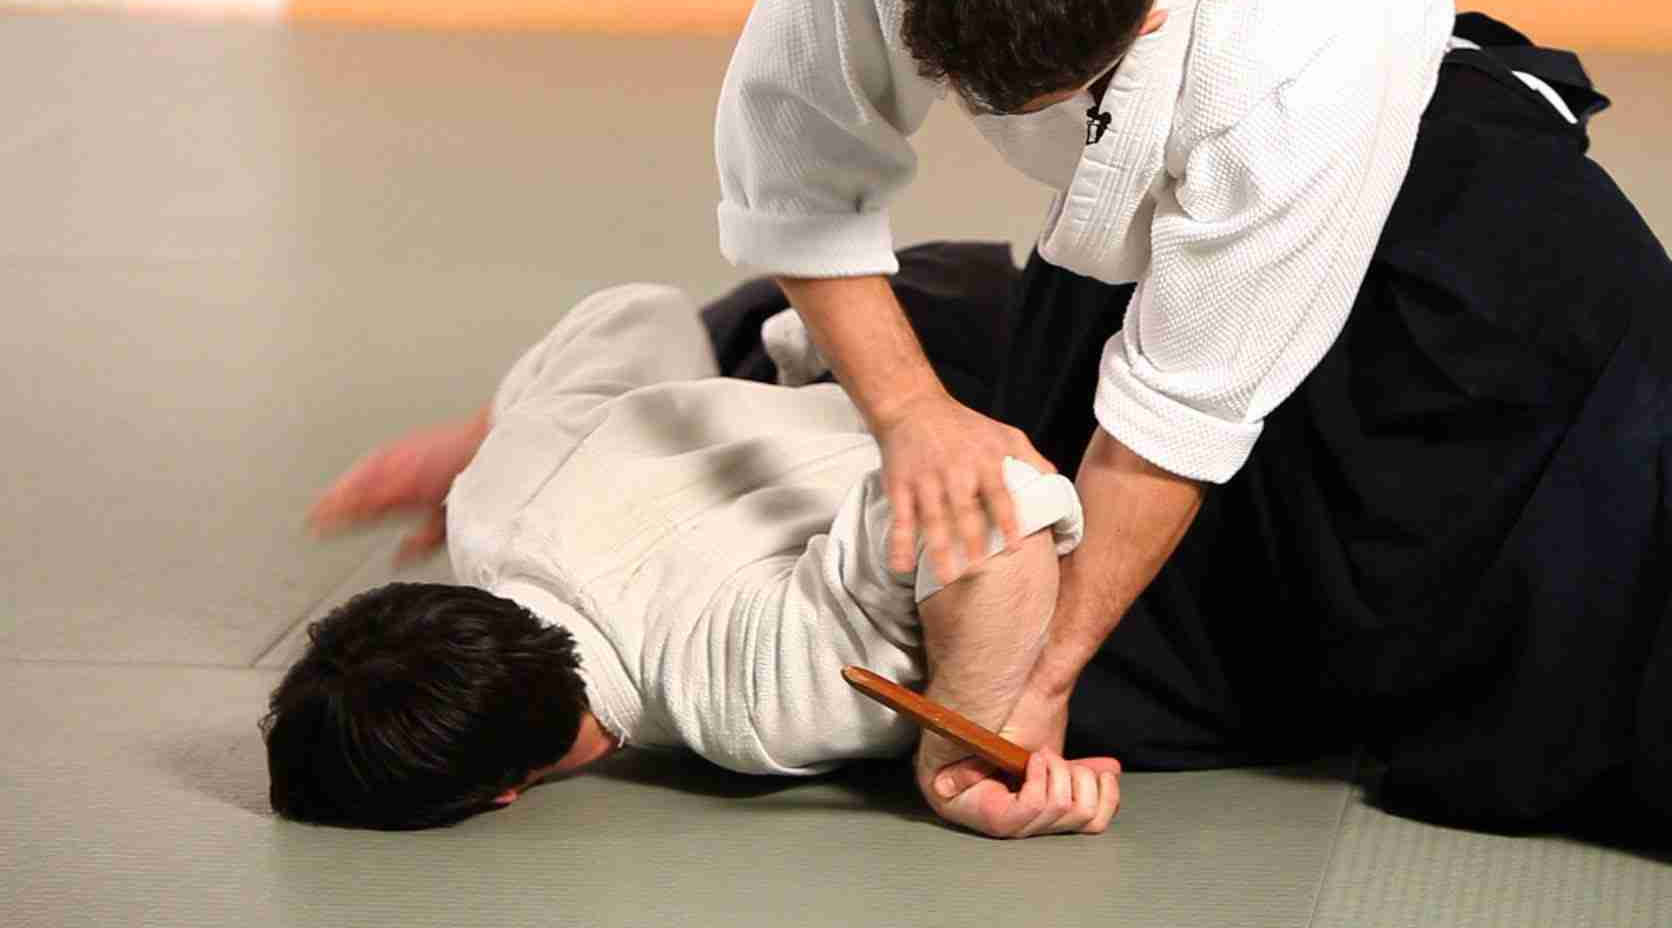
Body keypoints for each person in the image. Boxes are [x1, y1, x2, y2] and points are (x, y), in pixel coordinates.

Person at [708, 0, 1672, 915]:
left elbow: (1177, 415)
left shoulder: (1311, 17)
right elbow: (795, 158)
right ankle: (906, 326)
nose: (972, 116)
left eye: (1012, 104)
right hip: (1141, 246)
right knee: (1046, 641)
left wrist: (1046, 677)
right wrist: (913, 414)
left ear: (1142, 25)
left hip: (1452, 222)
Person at [274, 246, 1123, 838]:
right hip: (909, 310)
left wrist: (961, 752)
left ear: (504, 793)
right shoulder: (488, 502)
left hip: (1039, 401)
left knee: (1075, 673)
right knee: (745, 327)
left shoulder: (745, 700)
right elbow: (637, 314)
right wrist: (477, 441)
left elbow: (1003, 500)